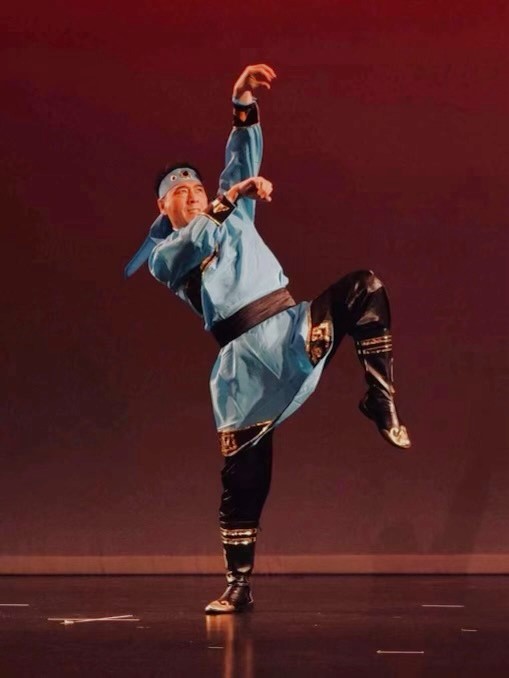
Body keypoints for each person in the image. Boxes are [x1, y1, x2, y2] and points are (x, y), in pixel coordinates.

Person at [125, 64, 411, 615]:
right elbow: (199, 233)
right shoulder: (166, 256)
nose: (194, 196)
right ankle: (238, 584)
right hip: (243, 369)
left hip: (291, 330)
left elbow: (240, 163)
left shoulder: (234, 216)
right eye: (181, 193)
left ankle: (380, 397)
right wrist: (229, 197)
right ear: (163, 207)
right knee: (245, 477)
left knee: (365, 288)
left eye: (198, 188)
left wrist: (241, 102)